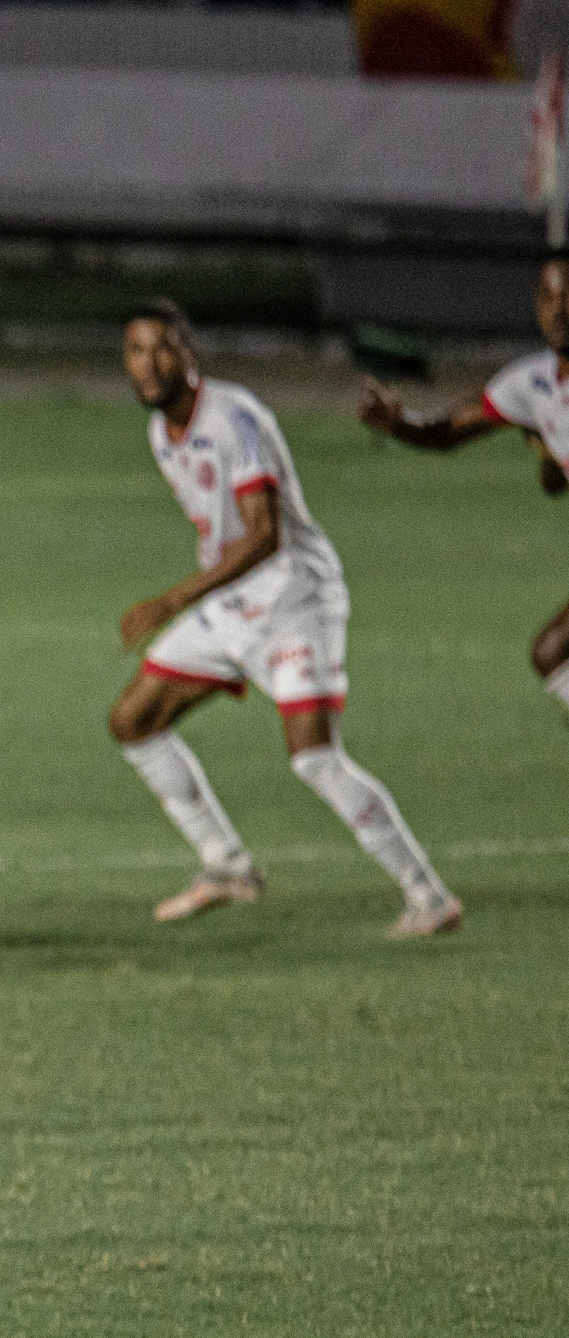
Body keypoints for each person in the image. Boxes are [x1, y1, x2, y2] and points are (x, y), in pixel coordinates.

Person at [109, 303, 458, 934]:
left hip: (296, 597)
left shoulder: (233, 418)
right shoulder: (162, 431)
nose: (148, 363)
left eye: (162, 347)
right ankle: (225, 864)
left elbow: (265, 535)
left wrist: (170, 601)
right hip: (233, 604)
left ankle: (427, 895)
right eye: (134, 350)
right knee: (134, 720)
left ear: (190, 354)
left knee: (315, 759)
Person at [360, 253, 569, 710]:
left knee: (554, 651)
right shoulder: (532, 384)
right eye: (548, 296)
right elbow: (448, 432)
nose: (559, 308)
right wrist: (399, 425)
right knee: (554, 653)